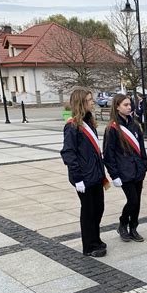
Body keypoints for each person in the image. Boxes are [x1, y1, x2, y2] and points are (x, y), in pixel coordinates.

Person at [60, 87, 107, 257]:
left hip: (95, 175)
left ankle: (96, 238)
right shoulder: (72, 126)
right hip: (84, 177)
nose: (93, 102)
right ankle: (89, 245)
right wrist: (78, 178)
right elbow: (68, 153)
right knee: (88, 211)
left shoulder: (89, 121)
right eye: (89, 100)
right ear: (81, 103)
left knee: (99, 208)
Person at [104, 94, 147, 242]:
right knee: (132, 200)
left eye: (130, 104)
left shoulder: (135, 125)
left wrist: (144, 165)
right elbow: (108, 154)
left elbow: (142, 148)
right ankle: (123, 224)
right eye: (125, 105)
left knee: (138, 201)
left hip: (138, 170)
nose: (129, 107)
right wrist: (114, 175)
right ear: (117, 107)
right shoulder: (112, 128)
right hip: (124, 171)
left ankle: (134, 228)